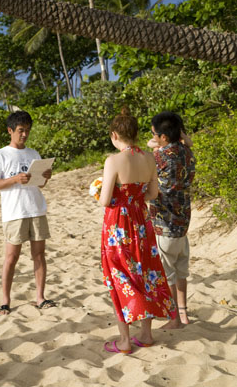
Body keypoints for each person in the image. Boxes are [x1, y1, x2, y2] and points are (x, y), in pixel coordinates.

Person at [100, 106, 177, 354]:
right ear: (134, 133)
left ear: (114, 135)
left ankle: (124, 340)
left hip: (118, 223)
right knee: (146, 272)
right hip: (141, 221)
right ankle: (145, 334)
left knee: (120, 276)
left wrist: (100, 191)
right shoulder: (149, 158)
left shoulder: (113, 160)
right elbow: (153, 194)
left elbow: (104, 200)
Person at [0, 111, 56, 316]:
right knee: (11, 257)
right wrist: (14, 179)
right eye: (21, 130)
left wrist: (46, 177)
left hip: (36, 208)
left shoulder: (34, 153)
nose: (25, 134)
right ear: (10, 131)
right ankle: (5, 301)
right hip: (14, 211)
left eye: (27, 130)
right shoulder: (0, 155)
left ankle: (40, 297)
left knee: (39, 255)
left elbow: (40, 185)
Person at [149, 111, 195, 328]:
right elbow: (187, 141)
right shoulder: (187, 153)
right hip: (183, 222)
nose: (153, 137)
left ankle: (174, 318)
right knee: (181, 269)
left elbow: (150, 188)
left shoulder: (159, 157)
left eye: (154, 134)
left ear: (163, 137)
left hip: (164, 222)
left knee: (167, 273)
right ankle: (183, 313)